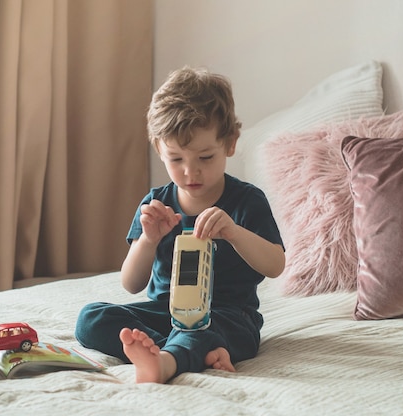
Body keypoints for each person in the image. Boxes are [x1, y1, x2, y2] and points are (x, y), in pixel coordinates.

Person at [75, 66, 285, 384]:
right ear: (159, 149)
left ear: (229, 144)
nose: (190, 173)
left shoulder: (246, 200)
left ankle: (167, 362)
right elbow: (131, 283)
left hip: (228, 316)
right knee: (91, 319)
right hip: (166, 313)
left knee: (208, 330)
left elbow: (275, 264)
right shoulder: (157, 203)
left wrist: (233, 232)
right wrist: (148, 240)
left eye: (205, 157)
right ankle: (180, 352)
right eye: (176, 159)